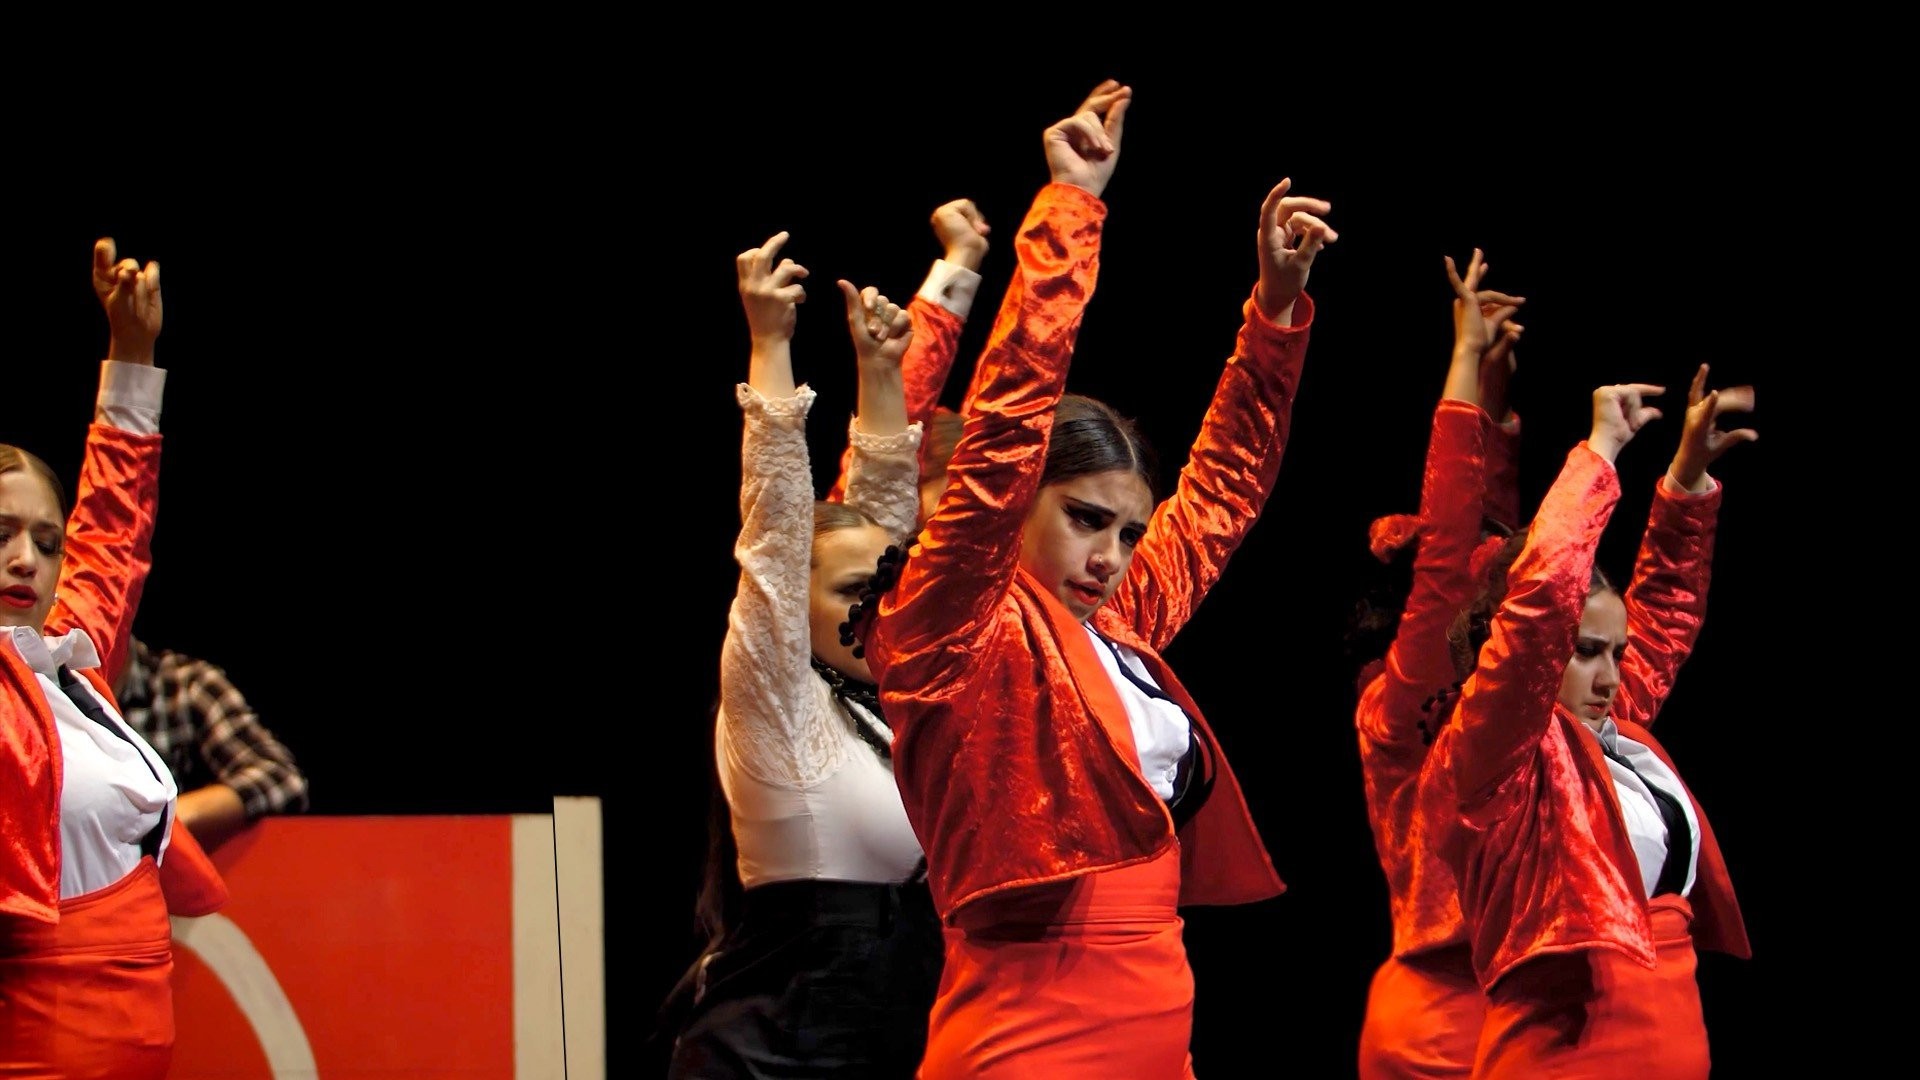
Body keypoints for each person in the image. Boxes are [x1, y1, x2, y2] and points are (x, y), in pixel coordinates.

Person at [859, 80, 1338, 1077]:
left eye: (1126, 531)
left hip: (1158, 1023)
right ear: (1016, 505)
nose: (1110, 556)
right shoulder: (956, 624)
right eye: (1084, 520)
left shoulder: (1115, 622)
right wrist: (1072, 205)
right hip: (1032, 1034)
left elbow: (1219, 496)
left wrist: (1275, 314)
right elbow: (1003, 427)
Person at [662, 227, 939, 1079]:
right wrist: (770, 343)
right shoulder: (776, 691)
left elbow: (889, 538)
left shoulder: (890, 707)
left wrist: (884, 373)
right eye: (850, 593)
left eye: (886, 591)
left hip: (904, 1032)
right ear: (793, 614)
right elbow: (779, 525)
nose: (880, 608)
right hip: (776, 1050)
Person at [1425, 367, 1756, 1078]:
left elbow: (1666, 612)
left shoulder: (1611, 738)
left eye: (1616, 653)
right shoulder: (1493, 754)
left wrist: (1687, 480)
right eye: (1585, 653)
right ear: (1533, 651)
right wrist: (1600, 449)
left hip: (1672, 1042)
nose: (1609, 676)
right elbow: (1543, 598)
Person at [3, 239, 226, 1079]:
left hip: (137, 1021)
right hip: (38, 1028)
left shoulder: (70, 657)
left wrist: (131, 355)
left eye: (44, 540)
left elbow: (114, 518)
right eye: (0, 535)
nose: (27, 557)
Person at [1350, 249, 1523, 1079]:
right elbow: (1457, 537)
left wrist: (1491, 392)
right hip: (1438, 1026)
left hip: (1515, 997)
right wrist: (1459, 361)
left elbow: (1492, 528)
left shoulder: (1489, 689)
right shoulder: (1407, 695)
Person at [113, 636, 310, 853]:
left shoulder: (184, 683)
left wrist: (166, 817)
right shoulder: (68, 694)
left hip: (160, 875)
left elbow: (280, 777)